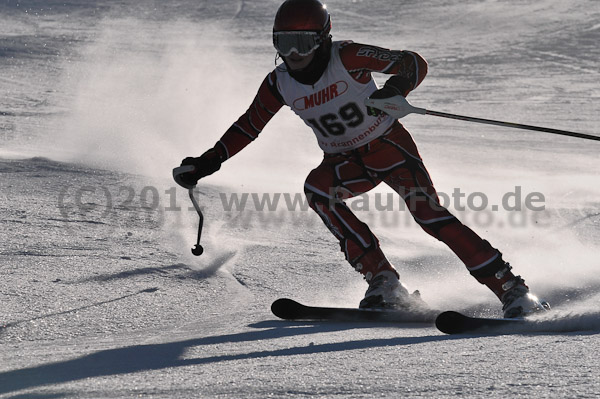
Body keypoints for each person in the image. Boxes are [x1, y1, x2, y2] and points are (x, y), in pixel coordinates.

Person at [174, 0, 549, 317]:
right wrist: (207, 162)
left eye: (303, 43)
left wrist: (396, 88)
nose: (294, 55)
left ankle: (511, 287)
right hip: (345, 162)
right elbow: (248, 126)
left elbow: (412, 63)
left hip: (389, 148)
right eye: (284, 43)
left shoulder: (348, 56)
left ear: (322, 38)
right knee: (317, 189)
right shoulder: (280, 83)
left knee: (429, 216)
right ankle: (384, 282)